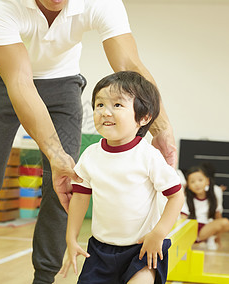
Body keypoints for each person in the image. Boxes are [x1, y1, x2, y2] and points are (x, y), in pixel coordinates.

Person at [0, 0, 178, 283]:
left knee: (66, 181)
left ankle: (44, 277)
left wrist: (161, 127)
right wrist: (55, 154)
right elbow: (20, 82)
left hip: (63, 81)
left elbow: (128, 66)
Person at [60, 71, 184, 284]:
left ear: (144, 117)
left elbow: (176, 197)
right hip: (100, 251)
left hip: (143, 248)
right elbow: (80, 198)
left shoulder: (148, 156)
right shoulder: (90, 155)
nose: (105, 112)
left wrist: (158, 234)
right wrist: (71, 238)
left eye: (117, 105)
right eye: (100, 105)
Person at [180, 163, 229, 250]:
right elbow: (183, 218)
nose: (197, 184)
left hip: (206, 228)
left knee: (225, 223)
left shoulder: (214, 194)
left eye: (200, 180)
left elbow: (217, 217)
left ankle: (210, 238)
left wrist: (218, 239)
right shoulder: (186, 199)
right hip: (192, 228)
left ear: (207, 181)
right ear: (188, 185)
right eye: (192, 182)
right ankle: (198, 239)